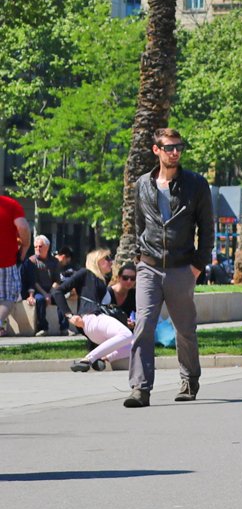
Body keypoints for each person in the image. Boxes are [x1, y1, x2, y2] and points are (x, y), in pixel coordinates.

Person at [126, 127, 213, 408]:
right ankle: (140, 388)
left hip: (181, 267)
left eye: (179, 147)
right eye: (169, 148)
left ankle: (189, 380)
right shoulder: (142, 184)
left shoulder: (196, 184)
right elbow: (138, 224)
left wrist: (198, 265)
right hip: (148, 266)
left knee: (184, 329)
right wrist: (138, 257)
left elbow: (207, 229)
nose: (175, 152)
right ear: (157, 150)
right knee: (143, 326)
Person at [68, 263, 139, 372]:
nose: (129, 281)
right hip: (100, 331)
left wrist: (132, 322)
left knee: (138, 344)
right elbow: (101, 315)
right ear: (119, 278)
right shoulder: (108, 292)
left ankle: (103, 358)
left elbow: (137, 314)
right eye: (125, 278)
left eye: (132, 278)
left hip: (117, 335)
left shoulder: (133, 295)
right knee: (126, 334)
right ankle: (88, 359)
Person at [20, 236, 64, 335]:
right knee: (40, 300)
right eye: (35, 247)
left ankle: (64, 328)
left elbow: (57, 280)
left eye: (40, 246)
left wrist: (50, 293)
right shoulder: (31, 261)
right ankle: (43, 328)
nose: (37, 249)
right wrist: (45, 295)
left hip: (51, 289)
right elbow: (34, 282)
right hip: (38, 291)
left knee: (60, 298)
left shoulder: (54, 261)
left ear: (47, 247)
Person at [0, 191, 26, 324]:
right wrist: (26, 245)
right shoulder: (10, 205)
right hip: (5, 262)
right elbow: (22, 226)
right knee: (8, 297)